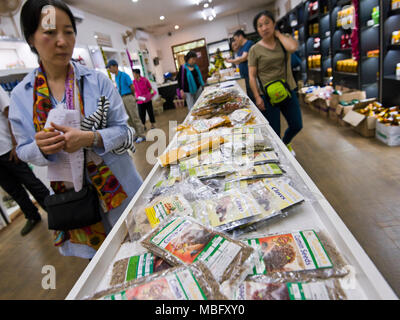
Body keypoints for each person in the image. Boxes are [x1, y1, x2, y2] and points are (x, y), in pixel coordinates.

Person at [9, 0, 143, 259]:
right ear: (31, 39)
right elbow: (24, 149)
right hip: (75, 203)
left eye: (68, 31)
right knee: (103, 267)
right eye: (50, 32)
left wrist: (91, 138)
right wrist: (40, 148)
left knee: (140, 250)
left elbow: (126, 132)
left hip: (121, 191)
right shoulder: (21, 96)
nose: (62, 41)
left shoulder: (97, 82)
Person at [248, 10, 303, 156]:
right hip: (268, 96)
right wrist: (257, 97)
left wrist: (278, 34)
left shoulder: (283, 40)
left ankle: (286, 143)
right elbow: (252, 76)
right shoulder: (254, 49)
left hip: (287, 89)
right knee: (274, 132)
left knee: (297, 124)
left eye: (267, 23)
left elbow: (293, 47)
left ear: (273, 23)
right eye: (260, 25)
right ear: (257, 30)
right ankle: (280, 157)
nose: (264, 28)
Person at [0, 86, 50, 236]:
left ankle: (56, 211)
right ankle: (32, 215)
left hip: (8, 148)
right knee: (13, 189)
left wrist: (15, 143)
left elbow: (9, 113)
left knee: (31, 182)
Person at [106, 59, 146, 143]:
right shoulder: (116, 77)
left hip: (128, 97)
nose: (109, 70)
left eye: (110, 67)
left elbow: (132, 86)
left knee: (135, 117)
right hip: (122, 98)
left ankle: (141, 135)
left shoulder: (124, 75)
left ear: (115, 66)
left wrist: (132, 96)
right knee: (128, 118)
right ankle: (135, 134)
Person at [225, 30, 255, 102]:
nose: (235, 42)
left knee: (253, 95)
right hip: (244, 76)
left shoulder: (249, 43)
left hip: (250, 75)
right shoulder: (241, 48)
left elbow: (243, 58)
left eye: (235, 39)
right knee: (249, 95)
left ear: (240, 36)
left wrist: (230, 61)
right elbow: (238, 60)